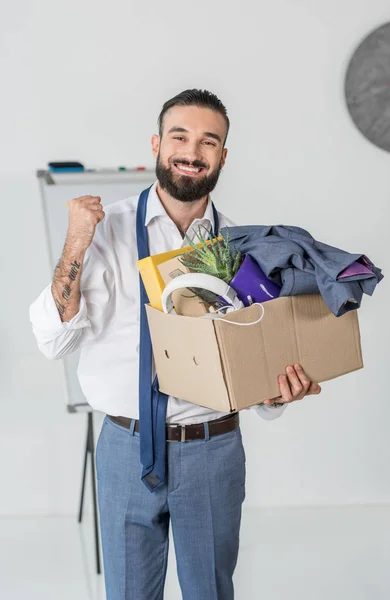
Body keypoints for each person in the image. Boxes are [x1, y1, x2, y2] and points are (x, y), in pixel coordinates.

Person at [30, 89, 321, 600]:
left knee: (210, 591)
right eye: (180, 136)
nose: (193, 150)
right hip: (124, 446)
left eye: (209, 141)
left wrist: (277, 392)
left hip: (213, 448)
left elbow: (253, 358)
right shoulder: (104, 231)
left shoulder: (241, 246)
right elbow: (54, 341)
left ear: (223, 156)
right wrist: (76, 241)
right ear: (156, 144)